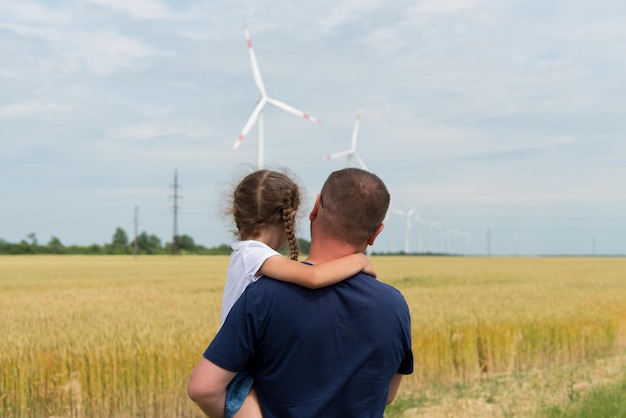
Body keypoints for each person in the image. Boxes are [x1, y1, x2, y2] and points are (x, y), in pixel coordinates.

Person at [188, 168, 413, 418]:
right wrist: (359, 261)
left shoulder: (263, 294)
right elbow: (387, 394)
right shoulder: (396, 307)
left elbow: (203, 388)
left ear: (315, 208)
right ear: (376, 233)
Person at [220, 169, 378, 418]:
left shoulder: (246, 253)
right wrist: (358, 262)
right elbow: (313, 277)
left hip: (240, 371)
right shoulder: (254, 255)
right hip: (239, 379)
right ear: (289, 217)